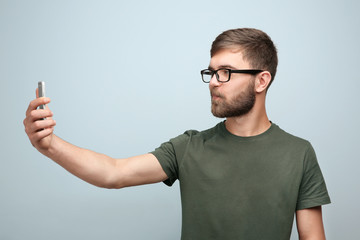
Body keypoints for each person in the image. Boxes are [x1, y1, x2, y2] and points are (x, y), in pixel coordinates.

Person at [24, 28, 331, 240]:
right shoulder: (189, 147)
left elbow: (313, 236)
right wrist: (50, 145)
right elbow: (113, 173)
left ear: (261, 81)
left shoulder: (298, 153)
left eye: (225, 72)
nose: (213, 82)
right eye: (210, 73)